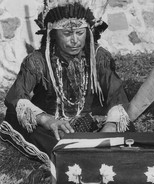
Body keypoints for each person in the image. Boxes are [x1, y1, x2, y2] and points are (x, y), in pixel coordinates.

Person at [0, 0, 131, 167]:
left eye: (80, 33)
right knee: (19, 119)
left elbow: (116, 94)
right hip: (49, 125)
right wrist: (46, 120)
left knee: (123, 124)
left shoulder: (98, 57)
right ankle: (69, 155)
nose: (75, 41)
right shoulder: (37, 60)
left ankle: (86, 147)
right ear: (53, 34)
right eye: (67, 34)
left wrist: (111, 126)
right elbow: (17, 96)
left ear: (88, 32)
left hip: (88, 122)